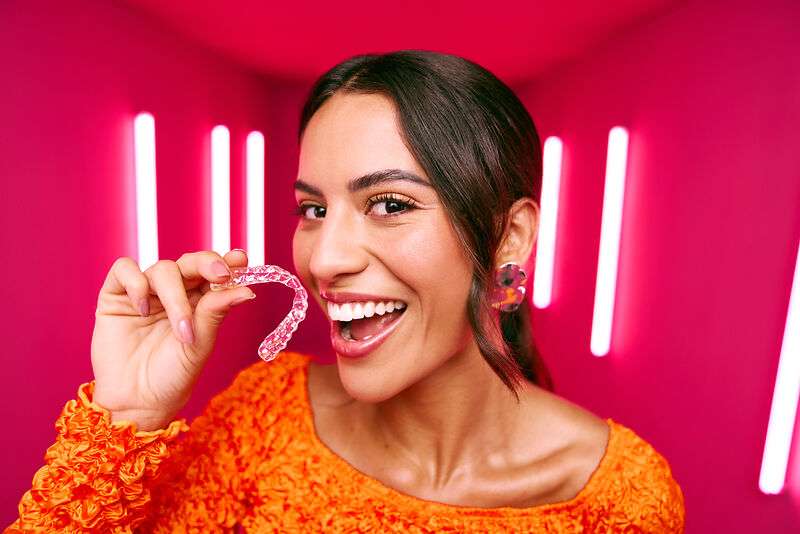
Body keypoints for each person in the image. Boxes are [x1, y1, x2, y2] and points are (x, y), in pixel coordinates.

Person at [6, 50, 685, 533]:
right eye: (314, 210)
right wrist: (127, 417)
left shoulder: (619, 501)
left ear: (510, 238)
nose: (323, 260)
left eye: (389, 204)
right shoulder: (262, 418)